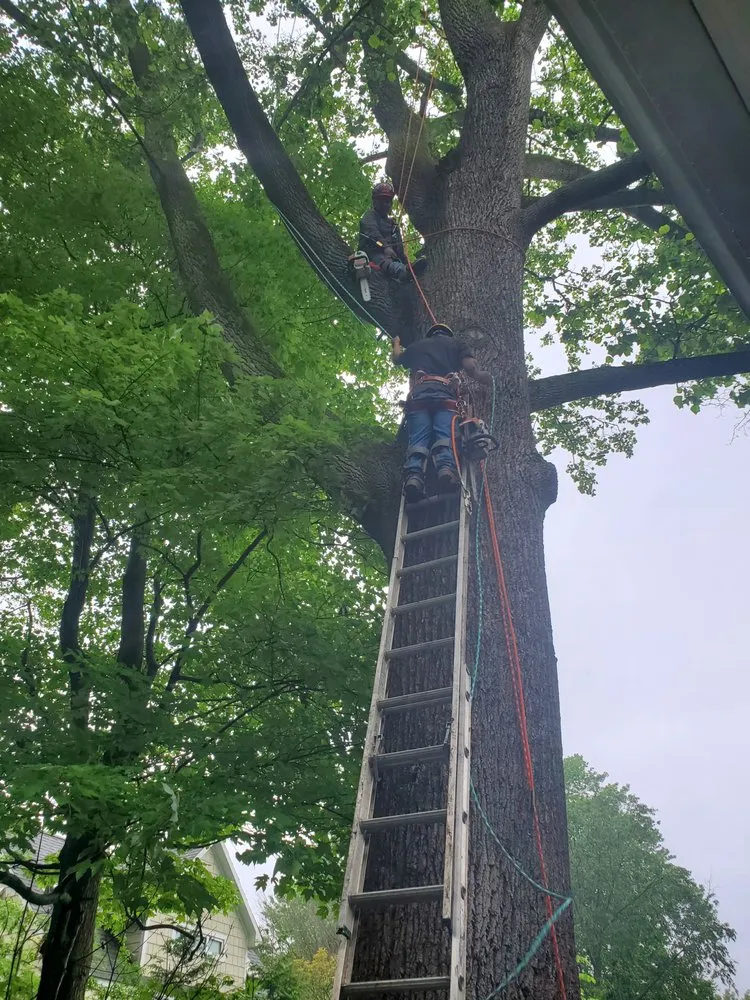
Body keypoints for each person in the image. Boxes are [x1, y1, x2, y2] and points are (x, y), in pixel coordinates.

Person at [393, 324, 492, 501]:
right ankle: (445, 469)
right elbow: (469, 366)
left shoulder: (418, 346)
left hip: (419, 397)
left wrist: (396, 343)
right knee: (444, 435)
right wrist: (480, 375)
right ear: (448, 334)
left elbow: (397, 358)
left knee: (418, 439)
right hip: (444, 396)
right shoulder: (456, 344)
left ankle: (414, 477)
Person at [358, 182, 428, 284]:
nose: (385, 204)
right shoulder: (370, 216)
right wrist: (385, 247)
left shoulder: (393, 225)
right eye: (382, 201)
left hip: (392, 260)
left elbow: (399, 248)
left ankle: (407, 272)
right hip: (372, 254)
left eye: (387, 201)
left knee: (396, 263)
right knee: (383, 259)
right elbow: (371, 232)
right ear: (375, 202)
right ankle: (402, 271)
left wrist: (405, 262)